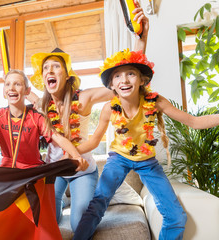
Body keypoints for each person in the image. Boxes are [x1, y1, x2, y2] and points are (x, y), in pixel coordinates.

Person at [72, 48, 219, 240]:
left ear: (142, 80)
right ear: (112, 85)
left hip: (147, 162)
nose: (124, 80)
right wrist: (71, 152)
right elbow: (93, 140)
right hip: (119, 159)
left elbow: (194, 121)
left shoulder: (155, 101)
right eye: (117, 76)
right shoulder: (109, 108)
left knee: (176, 216)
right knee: (97, 205)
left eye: (130, 74)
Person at [27, 2, 149, 232]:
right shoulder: (43, 104)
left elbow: (122, 84)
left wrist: (140, 40)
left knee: (79, 224)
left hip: (82, 170)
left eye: (56, 67)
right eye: (45, 69)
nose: (49, 72)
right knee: (47, 220)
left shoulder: (83, 99)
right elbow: (27, 94)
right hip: (55, 170)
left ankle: (90, 200)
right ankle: (61, 201)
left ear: (67, 75)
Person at [0, 69, 88, 171]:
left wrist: (76, 156)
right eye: (8, 84)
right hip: (8, 174)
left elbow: (59, 138)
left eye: (17, 84)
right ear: (4, 92)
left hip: (32, 173)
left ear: (27, 91)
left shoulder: (36, 118)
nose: (11, 88)